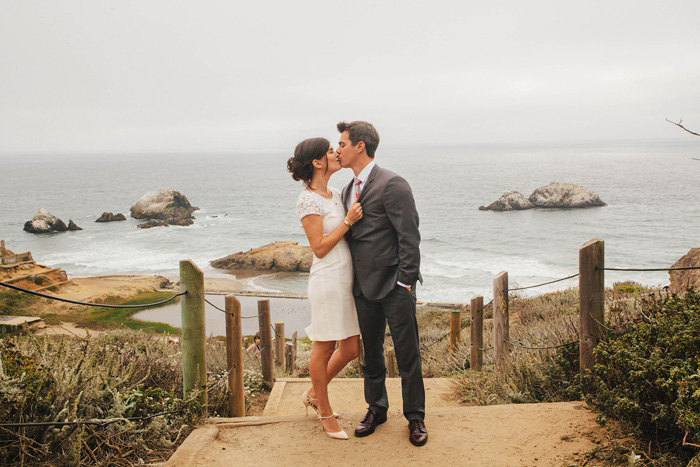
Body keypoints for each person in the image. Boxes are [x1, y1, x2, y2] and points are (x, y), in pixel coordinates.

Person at [336, 121, 428, 447]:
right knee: (371, 355)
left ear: (360, 146)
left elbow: (409, 236)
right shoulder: (347, 190)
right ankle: (376, 409)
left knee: (407, 355)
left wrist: (404, 282)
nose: (338, 149)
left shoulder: (393, 184)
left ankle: (415, 417)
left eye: (343, 144)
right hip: (362, 288)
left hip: (394, 286)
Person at [287, 137, 363, 440]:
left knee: (351, 349)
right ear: (318, 162)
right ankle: (325, 412)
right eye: (331, 151)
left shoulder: (333, 193)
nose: (337, 153)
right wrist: (347, 221)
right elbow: (318, 248)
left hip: (346, 278)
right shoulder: (308, 200)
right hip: (328, 279)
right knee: (324, 347)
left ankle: (312, 393)